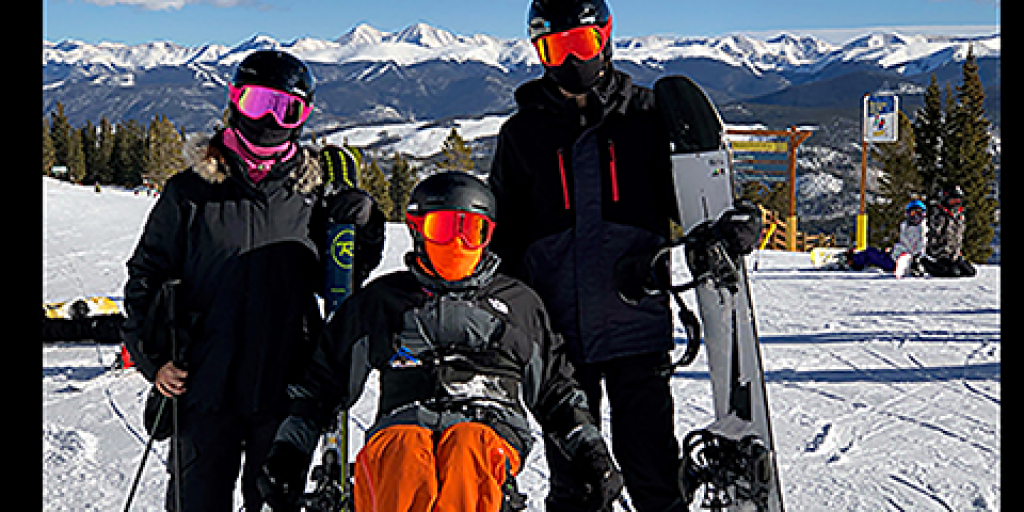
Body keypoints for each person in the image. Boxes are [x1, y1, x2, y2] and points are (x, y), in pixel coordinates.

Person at [258, 172, 623, 512]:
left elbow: (556, 391)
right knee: (402, 456)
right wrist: (289, 454)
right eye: (443, 228)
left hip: (490, 426)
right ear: (418, 230)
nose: (458, 243)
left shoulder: (517, 304)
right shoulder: (385, 301)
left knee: (467, 450)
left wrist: (590, 451)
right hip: (403, 423)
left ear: (488, 235)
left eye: (472, 231)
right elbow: (323, 385)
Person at [122, 49, 386, 511]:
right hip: (204, 385)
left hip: (284, 384)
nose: (268, 119)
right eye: (257, 102)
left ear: (302, 116)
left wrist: (362, 228)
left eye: (286, 108)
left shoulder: (311, 194)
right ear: (234, 100)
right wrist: (155, 359)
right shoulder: (190, 192)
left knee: (274, 502)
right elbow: (146, 277)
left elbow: (341, 280)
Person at [487, 1, 687, 509]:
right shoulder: (523, 134)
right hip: (559, 336)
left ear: (606, 37)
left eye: (582, 43)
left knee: (654, 470)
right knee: (578, 479)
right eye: (556, 48)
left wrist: (724, 223)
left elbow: (687, 198)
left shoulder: (645, 116)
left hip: (636, 328)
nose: (571, 60)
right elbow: (503, 235)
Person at [844, 199, 928, 277]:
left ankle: (852, 262)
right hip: (895, 255)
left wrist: (914, 260)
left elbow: (920, 247)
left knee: (870, 253)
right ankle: (854, 260)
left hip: (898, 261)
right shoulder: (906, 226)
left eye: (918, 214)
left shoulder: (922, 230)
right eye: (912, 214)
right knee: (873, 252)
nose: (915, 217)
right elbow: (904, 243)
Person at [920, 185, 976, 278]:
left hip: (954, 254)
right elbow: (934, 234)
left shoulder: (959, 216)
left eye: (958, 201)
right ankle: (928, 264)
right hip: (941, 254)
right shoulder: (940, 214)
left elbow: (958, 236)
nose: (955, 203)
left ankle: (951, 262)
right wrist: (936, 251)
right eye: (953, 200)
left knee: (970, 272)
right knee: (953, 273)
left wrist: (957, 252)